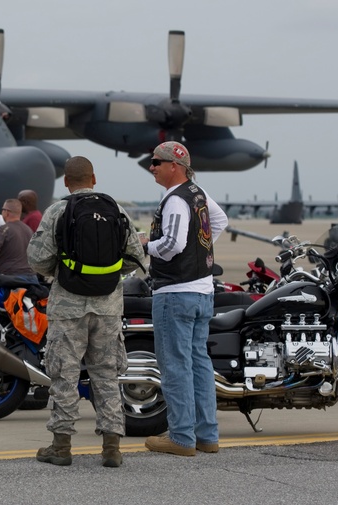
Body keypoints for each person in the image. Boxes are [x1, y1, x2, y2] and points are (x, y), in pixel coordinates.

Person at [27, 156, 145, 468]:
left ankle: (62, 446)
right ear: (94, 176)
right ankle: (111, 448)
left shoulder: (57, 210)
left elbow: (37, 259)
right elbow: (136, 256)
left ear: (65, 181)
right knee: (106, 374)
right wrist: (108, 274)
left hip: (68, 306)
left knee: (64, 374)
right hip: (108, 305)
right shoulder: (116, 210)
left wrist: (66, 272)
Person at [140, 141, 227, 457]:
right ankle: (207, 435)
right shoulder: (197, 194)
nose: (152, 167)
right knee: (199, 364)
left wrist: (143, 247)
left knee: (175, 365)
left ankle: (180, 437)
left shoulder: (175, 200)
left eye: (156, 162)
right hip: (202, 291)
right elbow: (219, 222)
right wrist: (199, 248)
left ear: (173, 167)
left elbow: (173, 244)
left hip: (175, 292)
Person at [0, 198, 36, 281]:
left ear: (6, 212)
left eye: (2, 210)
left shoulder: (4, 229)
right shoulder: (29, 230)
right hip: (31, 279)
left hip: (11, 280)